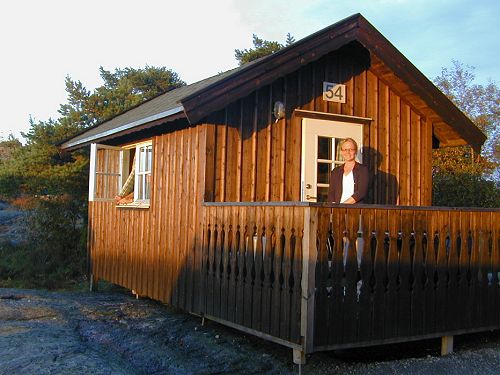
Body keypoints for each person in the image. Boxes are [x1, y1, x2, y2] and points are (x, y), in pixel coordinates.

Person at [327, 138, 369, 204]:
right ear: (341, 152)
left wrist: (344, 205)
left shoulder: (363, 170)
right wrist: (333, 208)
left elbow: (361, 192)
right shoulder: (336, 171)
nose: (348, 152)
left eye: (351, 149)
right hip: (338, 210)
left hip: (355, 209)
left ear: (355, 151)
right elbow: (331, 193)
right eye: (345, 150)